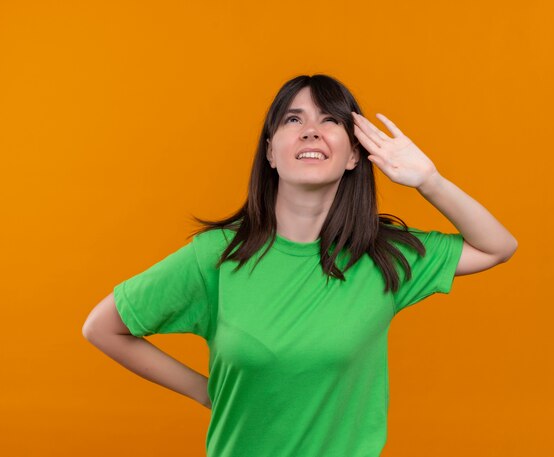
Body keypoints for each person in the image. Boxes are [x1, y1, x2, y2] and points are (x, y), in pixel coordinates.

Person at [82, 74, 518, 456]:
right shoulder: (217, 256)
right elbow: (102, 327)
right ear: (271, 152)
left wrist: (429, 181)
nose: (312, 131)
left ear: (354, 155)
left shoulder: (382, 255)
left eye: (330, 120)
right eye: (294, 120)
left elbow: (497, 246)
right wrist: (205, 389)